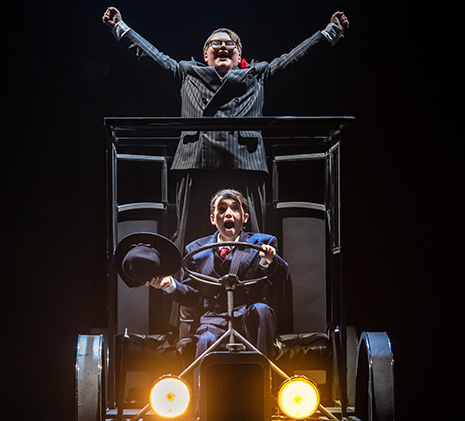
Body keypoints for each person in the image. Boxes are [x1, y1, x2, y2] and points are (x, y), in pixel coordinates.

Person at [102, 7, 350, 250]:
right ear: (205, 55)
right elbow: (150, 56)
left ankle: (254, 289)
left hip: (245, 163)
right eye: (215, 44)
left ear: (239, 53)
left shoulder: (257, 75)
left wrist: (330, 32)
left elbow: (295, 60)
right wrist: (120, 28)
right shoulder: (186, 73)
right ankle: (187, 291)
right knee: (190, 239)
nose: (222, 46)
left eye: (229, 44)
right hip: (195, 164)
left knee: (252, 242)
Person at [146, 189, 289, 360]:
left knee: (262, 311)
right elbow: (191, 296)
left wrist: (268, 261)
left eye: (235, 208)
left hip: (250, 316)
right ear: (213, 219)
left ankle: (265, 379)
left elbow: (281, 277)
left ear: (244, 218)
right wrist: (170, 285)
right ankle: (202, 386)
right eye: (222, 209)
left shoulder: (262, 243)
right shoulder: (196, 251)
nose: (228, 213)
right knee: (206, 340)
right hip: (213, 320)